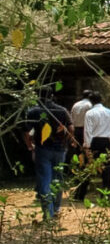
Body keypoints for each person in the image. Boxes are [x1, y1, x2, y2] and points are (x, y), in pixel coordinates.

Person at [21, 86, 73, 219]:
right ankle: (56, 209)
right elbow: (71, 129)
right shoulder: (62, 110)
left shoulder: (34, 111)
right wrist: (65, 142)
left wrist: (30, 147)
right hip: (60, 150)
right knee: (57, 178)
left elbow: (26, 132)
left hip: (42, 149)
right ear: (51, 96)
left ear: (38, 96)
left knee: (44, 179)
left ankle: (48, 213)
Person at [83, 92, 110, 193]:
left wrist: (87, 146)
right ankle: (106, 193)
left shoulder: (89, 113)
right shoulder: (109, 112)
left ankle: (81, 194)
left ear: (91, 101)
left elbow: (88, 131)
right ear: (101, 99)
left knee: (89, 167)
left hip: (94, 141)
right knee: (106, 168)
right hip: (106, 141)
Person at [69, 89, 93, 200]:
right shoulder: (89, 105)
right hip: (85, 131)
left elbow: (71, 120)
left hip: (76, 131)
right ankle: (83, 185)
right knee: (87, 159)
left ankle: (79, 182)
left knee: (79, 158)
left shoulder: (75, 105)